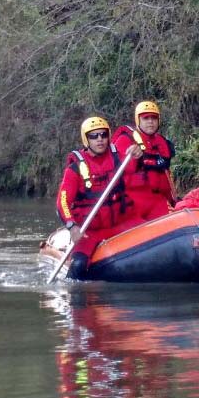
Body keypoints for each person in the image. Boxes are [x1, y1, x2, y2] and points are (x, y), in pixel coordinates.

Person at [57, 116, 142, 278]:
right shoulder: (75, 168)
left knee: (156, 237)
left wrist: (138, 154)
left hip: (121, 223)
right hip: (91, 230)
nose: (100, 139)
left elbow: (136, 168)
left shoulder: (120, 156)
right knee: (79, 265)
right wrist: (72, 227)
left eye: (103, 134)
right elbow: (63, 202)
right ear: (86, 139)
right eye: (94, 136)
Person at [111, 101, 177, 221]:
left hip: (159, 201)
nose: (150, 121)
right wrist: (132, 157)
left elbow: (166, 174)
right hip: (135, 202)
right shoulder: (125, 140)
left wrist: (173, 201)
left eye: (154, 118)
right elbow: (115, 169)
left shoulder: (162, 142)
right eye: (146, 118)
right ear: (138, 120)